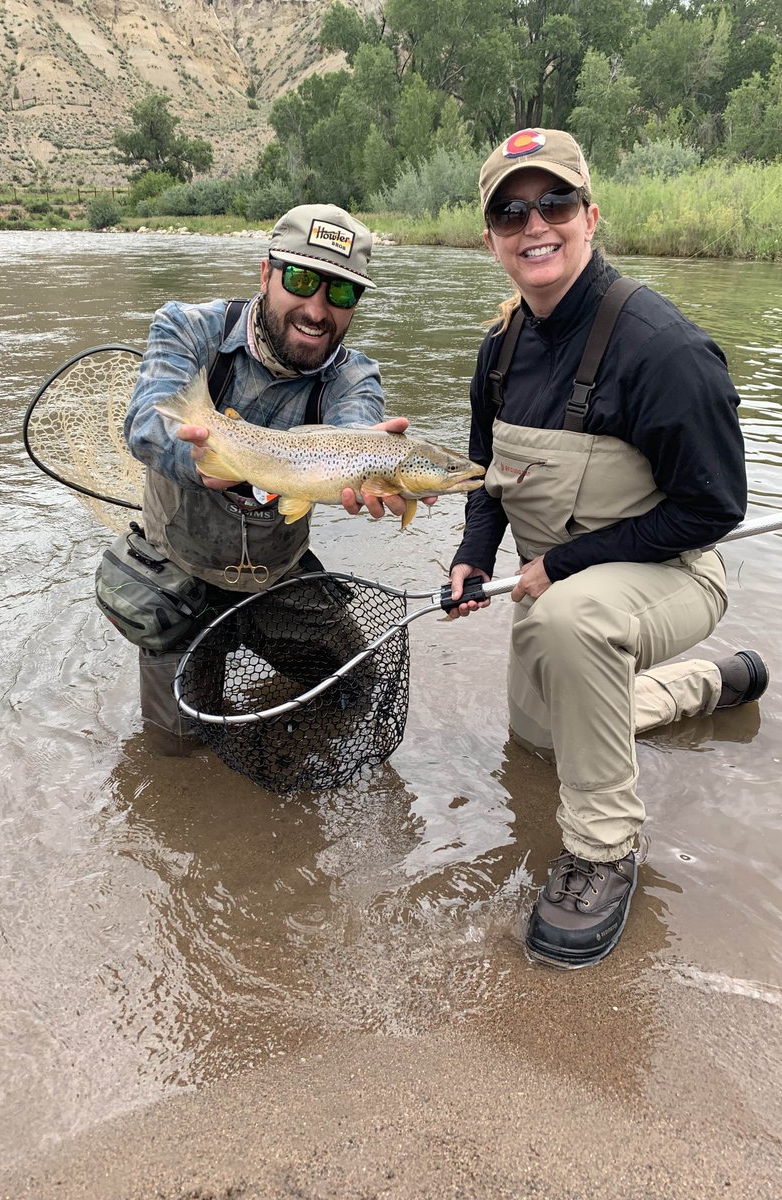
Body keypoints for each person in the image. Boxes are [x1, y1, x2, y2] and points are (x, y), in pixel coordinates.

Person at [447, 128, 769, 969]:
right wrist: (472, 558)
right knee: (543, 744)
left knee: (573, 625)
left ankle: (602, 850)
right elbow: (487, 478)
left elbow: (714, 509)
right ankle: (708, 685)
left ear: (591, 216)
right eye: (511, 212)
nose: (534, 224)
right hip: (557, 588)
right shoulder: (499, 349)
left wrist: (558, 567)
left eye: (554, 202)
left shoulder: (664, 351)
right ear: (491, 239)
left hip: (673, 573)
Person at [124, 203, 415, 755]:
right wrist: (203, 465)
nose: (317, 308)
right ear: (266, 274)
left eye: (341, 293)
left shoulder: (354, 375)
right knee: (175, 754)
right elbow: (144, 423)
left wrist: (367, 458)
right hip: (180, 571)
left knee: (357, 689)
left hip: (276, 573)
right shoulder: (188, 328)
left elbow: (357, 426)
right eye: (302, 279)